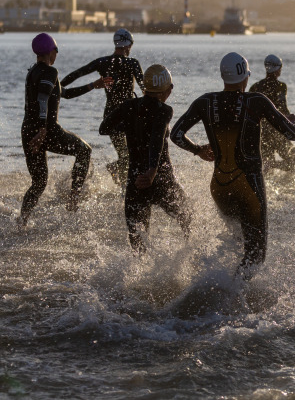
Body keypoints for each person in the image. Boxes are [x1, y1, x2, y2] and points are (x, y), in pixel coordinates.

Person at [170, 52, 295, 279]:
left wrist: (198, 150)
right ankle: (231, 297)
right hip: (249, 185)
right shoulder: (256, 101)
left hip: (219, 186)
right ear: (245, 76)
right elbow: (292, 134)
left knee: (236, 243)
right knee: (256, 254)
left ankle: (213, 285)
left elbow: (176, 134)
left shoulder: (205, 101)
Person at [99, 64, 193, 254]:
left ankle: (138, 281)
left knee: (138, 240)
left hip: (135, 180)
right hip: (160, 178)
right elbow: (157, 138)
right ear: (167, 90)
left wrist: (130, 124)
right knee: (189, 217)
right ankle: (192, 261)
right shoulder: (165, 110)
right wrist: (152, 170)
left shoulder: (129, 106)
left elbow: (104, 128)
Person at [18, 33, 108, 226]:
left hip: (27, 132)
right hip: (46, 132)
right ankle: (73, 198)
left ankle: (22, 220)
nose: (56, 55)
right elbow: (43, 99)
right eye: (56, 51)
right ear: (51, 52)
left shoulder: (32, 71)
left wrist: (93, 85)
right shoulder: (51, 72)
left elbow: (63, 94)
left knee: (39, 183)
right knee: (85, 151)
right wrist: (42, 129)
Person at [60, 28, 144, 186]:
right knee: (130, 154)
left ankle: (120, 177)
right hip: (128, 116)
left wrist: (58, 86)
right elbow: (145, 88)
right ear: (128, 45)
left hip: (111, 116)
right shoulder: (133, 63)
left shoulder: (103, 62)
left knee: (125, 154)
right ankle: (124, 187)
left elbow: (77, 73)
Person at [248, 54, 295, 173]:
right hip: (276, 131)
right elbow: (282, 109)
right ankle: (273, 165)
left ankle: (269, 172)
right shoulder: (281, 86)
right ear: (278, 69)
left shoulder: (255, 87)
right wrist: (292, 121)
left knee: (266, 173)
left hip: (260, 133)